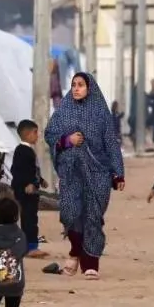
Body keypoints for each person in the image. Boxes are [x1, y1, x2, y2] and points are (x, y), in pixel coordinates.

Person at [45, 72, 125, 279]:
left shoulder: (101, 113)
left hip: (97, 172)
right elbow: (50, 134)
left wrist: (118, 173)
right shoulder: (63, 110)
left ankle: (90, 263)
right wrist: (67, 141)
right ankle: (74, 251)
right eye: (73, 85)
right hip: (71, 171)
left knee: (92, 217)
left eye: (80, 85)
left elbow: (111, 144)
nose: (76, 88)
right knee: (70, 212)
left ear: (90, 88)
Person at [10, 119, 47, 259]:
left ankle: (28, 246)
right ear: (26, 134)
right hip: (26, 191)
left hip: (31, 190)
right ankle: (31, 247)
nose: (37, 135)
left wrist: (40, 181)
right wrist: (28, 183)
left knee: (29, 218)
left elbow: (32, 170)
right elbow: (18, 171)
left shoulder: (27, 151)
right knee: (29, 219)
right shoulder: (22, 151)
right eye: (35, 132)